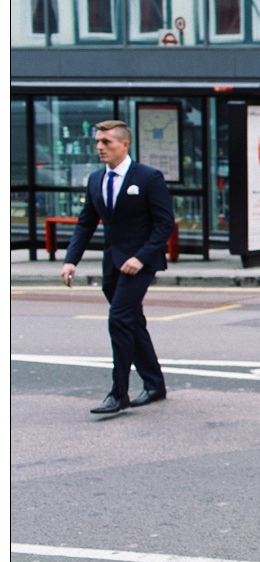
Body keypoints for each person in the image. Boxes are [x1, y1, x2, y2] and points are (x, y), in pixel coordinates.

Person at [60, 120, 176, 415]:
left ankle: (118, 393)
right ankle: (154, 384)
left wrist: (141, 257)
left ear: (125, 144)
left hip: (141, 262)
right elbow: (86, 223)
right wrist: (71, 259)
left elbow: (164, 224)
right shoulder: (96, 178)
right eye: (97, 142)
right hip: (112, 264)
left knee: (119, 319)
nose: (100, 147)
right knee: (132, 321)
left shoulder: (148, 177)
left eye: (106, 142)